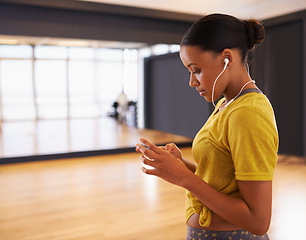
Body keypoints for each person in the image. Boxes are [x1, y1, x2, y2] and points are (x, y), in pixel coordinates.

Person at [136, 13, 278, 240]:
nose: (192, 81)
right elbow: (221, 182)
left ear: (226, 58)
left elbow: (258, 221)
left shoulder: (248, 112)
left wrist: (184, 178)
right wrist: (180, 166)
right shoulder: (227, 103)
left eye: (196, 70)